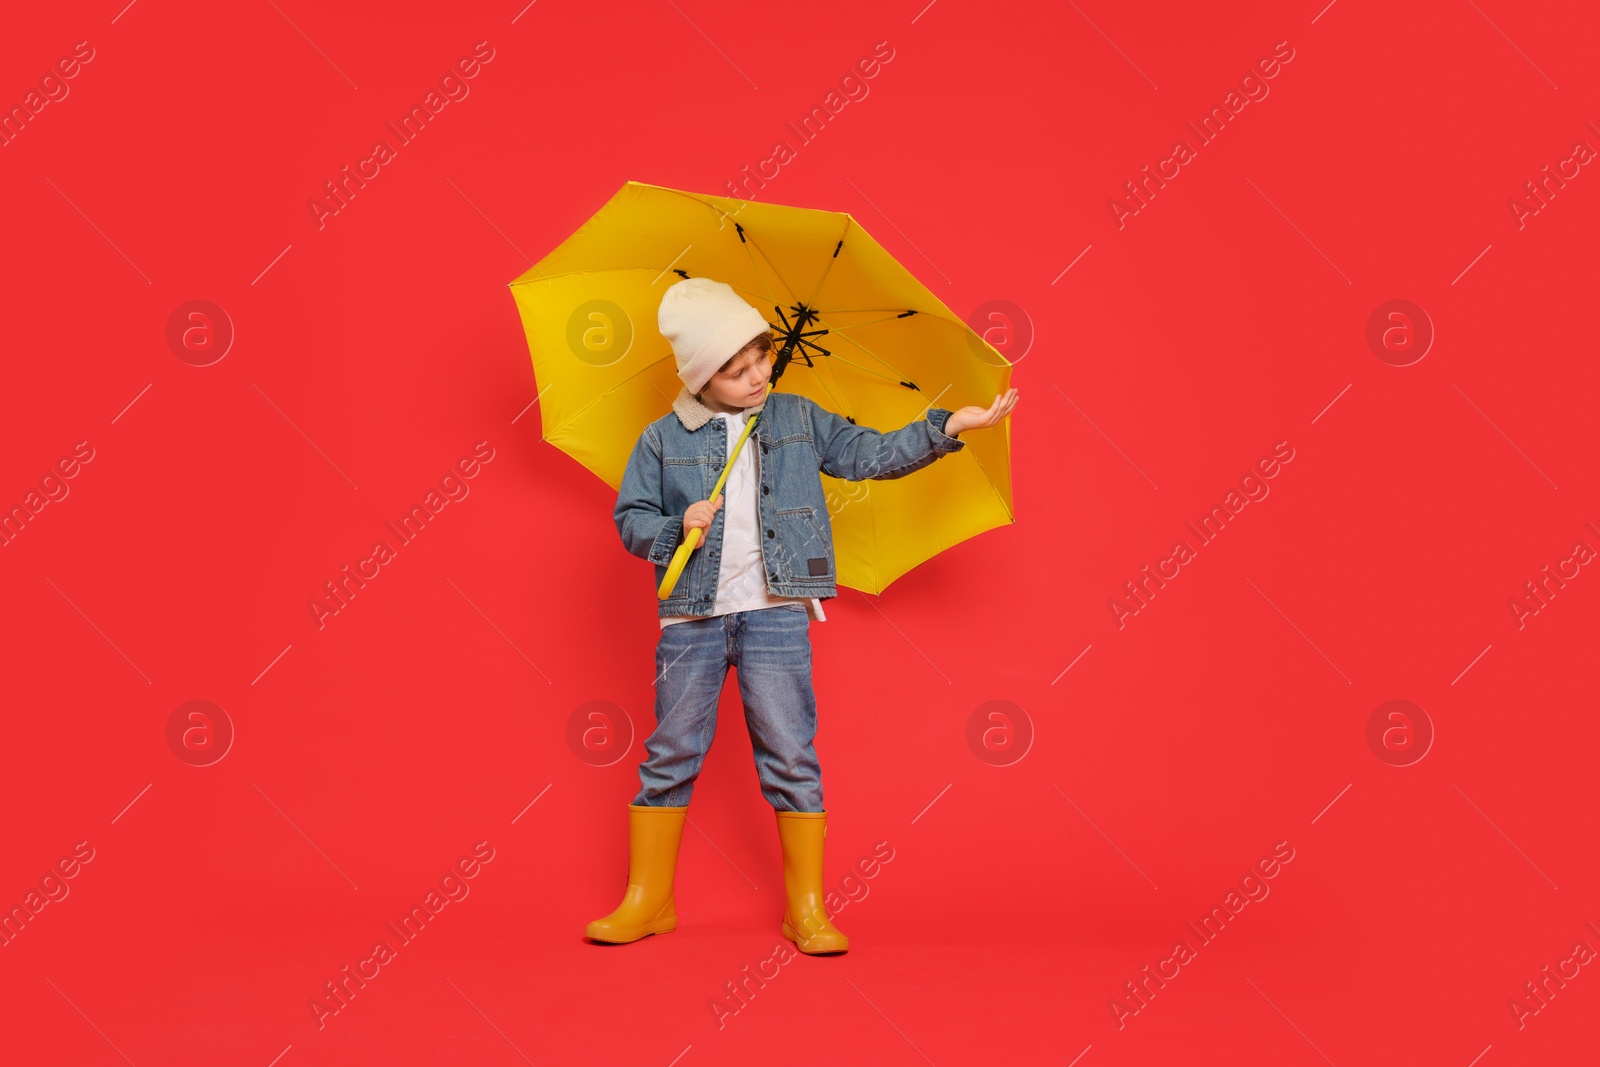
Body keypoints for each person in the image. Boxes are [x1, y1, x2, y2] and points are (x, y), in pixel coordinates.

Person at [585, 276, 1018, 954]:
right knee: (671, 752)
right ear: (702, 376)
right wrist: (675, 525)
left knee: (790, 752)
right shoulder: (663, 438)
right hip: (691, 618)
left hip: (776, 615)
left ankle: (806, 909)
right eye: (735, 370)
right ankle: (649, 900)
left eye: (760, 357)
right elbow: (630, 520)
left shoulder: (796, 417)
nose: (757, 374)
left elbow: (867, 454)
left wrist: (944, 428)